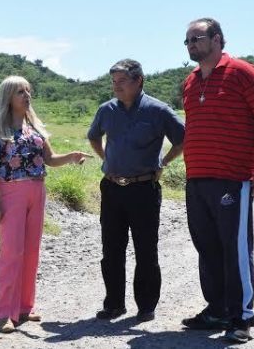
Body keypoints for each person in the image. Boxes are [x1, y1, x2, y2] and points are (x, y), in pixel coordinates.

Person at [180, 18, 254, 344]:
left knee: (235, 249)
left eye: (197, 38)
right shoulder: (190, 81)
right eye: (188, 41)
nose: (192, 44)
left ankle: (241, 317)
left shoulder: (243, 73)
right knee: (206, 247)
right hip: (196, 178)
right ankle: (217, 308)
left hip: (232, 179)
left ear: (217, 39)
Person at [0, 75, 91, 333]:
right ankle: (5, 314)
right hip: (10, 192)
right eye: (20, 91)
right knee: (11, 252)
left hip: (37, 190)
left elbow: (50, 158)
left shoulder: (35, 128)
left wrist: (71, 157)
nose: (26, 95)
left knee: (31, 250)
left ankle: (24, 307)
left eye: (28, 91)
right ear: (8, 97)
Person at [87, 59, 185, 323]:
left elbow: (182, 139)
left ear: (138, 80)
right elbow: (93, 136)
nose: (116, 87)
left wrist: (163, 163)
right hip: (111, 188)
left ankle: (146, 306)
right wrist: (105, 159)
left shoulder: (158, 110)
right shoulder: (106, 110)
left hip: (144, 188)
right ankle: (114, 304)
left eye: (122, 81)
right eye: (113, 82)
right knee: (112, 250)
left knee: (145, 250)